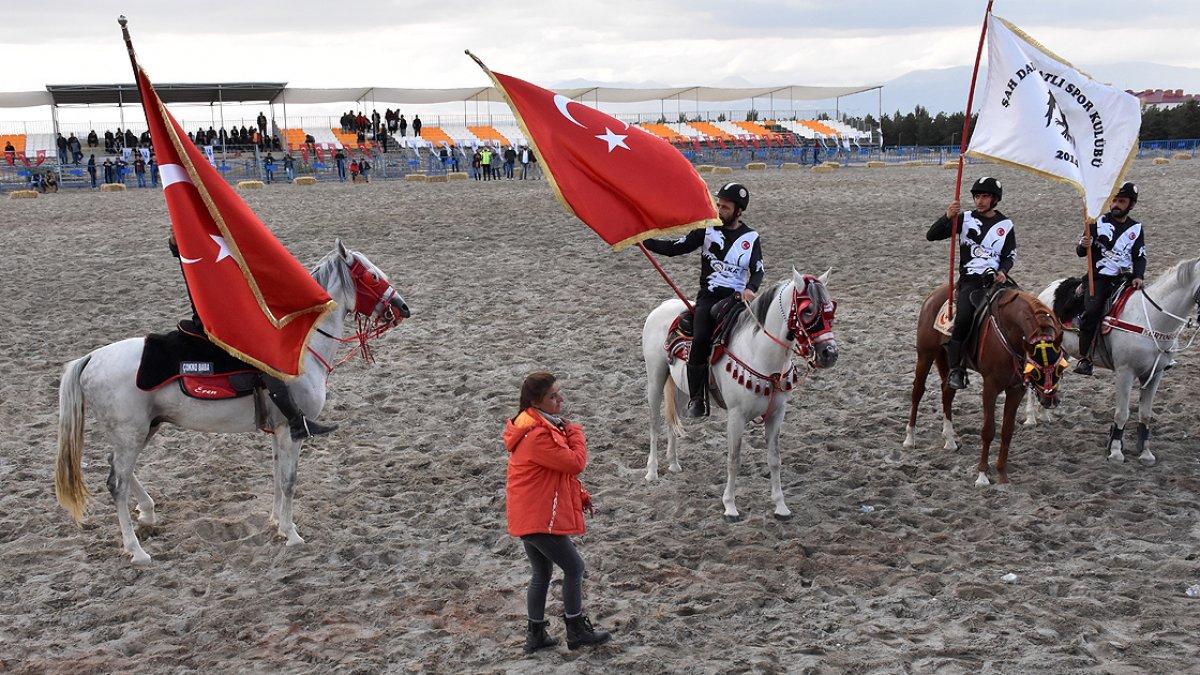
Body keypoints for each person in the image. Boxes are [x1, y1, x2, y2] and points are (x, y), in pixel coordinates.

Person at [166, 236, 338, 440]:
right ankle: (295, 421)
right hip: (215, 324)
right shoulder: (196, 262)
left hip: (222, 316)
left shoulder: (199, 258)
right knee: (265, 356)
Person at [504, 372, 611, 653]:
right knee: (574, 567)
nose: (560, 399)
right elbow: (575, 463)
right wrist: (575, 432)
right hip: (537, 516)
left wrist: (579, 494)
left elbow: (553, 474)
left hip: (527, 513)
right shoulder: (538, 435)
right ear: (536, 401)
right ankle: (575, 629)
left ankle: (536, 635)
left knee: (542, 571)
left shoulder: (536, 426)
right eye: (553, 396)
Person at [642, 183, 764, 417]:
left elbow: (757, 270)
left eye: (725, 207)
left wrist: (751, 288)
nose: (720, 210)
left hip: (738, 300)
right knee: (699, 341)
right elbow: (676, 248)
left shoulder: (751, 237)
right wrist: (645, 241)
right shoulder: (707, 229)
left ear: (739, 210)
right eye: (718, 205)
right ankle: (697, 398)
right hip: (709, 298)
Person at [926, 176, 1016, 390]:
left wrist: (1003, 270)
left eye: (985, 196)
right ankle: (956, 369)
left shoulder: (1006, 224)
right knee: (964, 317)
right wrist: (947, 217)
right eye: (977, 196)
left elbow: (1010, 254)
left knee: (1020, 308)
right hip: (970, 282)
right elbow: (932, 235)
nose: (980, 201)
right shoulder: (964, 218)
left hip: (996, 281)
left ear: (995, 199)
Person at [1074, 181, 1145, 375]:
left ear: (1131, 205)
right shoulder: (1096, 221)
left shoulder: (1136, 228)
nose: (1115, 204)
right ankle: (1084, 357)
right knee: (1093, 311)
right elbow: (1081, 252)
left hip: (1124, 279)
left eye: (1121, 201)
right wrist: (1083, 244)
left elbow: (1140, 256)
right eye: (1113, 200)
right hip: (1098, 278)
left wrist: (1138, 275)